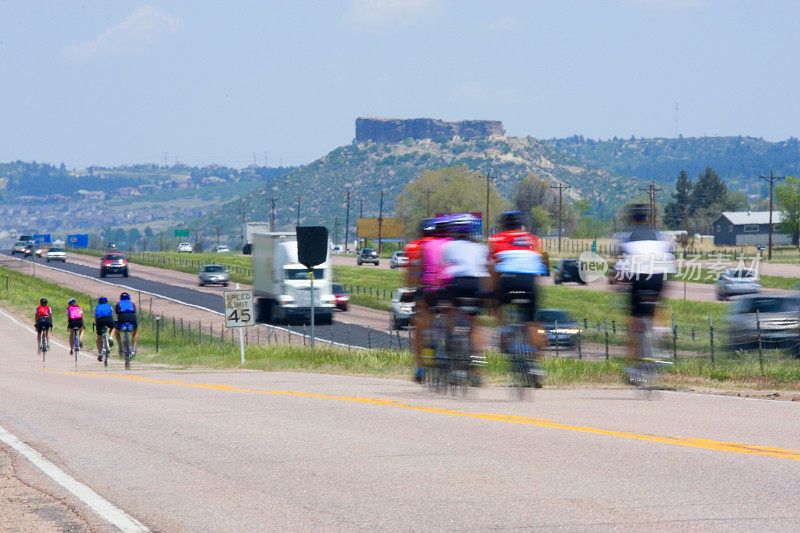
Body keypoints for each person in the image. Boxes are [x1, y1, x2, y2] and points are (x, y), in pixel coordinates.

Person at [612, 203, 675, 370]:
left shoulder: (627, 236)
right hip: (659, 276)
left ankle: (633, 365)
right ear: (647, 218)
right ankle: (662, 333)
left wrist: (615, 284)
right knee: (657, 304)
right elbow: (670, 260)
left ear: (632, 219)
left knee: (634, 321)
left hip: (639, 277)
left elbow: (619, 268)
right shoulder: (658, 235)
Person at [488, 211, 549, 351]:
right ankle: (535, 364)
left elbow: (492, 269)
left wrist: (492, 291)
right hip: (529, 284)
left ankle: (503, 330)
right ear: (521, 225)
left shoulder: (496, 239)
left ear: (503, 225)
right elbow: (540, 269)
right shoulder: (534, 239)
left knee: (494, 302)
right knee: (533, 322)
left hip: (507, 282)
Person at [440, 214, 490, 356]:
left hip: (456, 283)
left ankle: (449, 339)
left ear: (454, 230)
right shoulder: (481, 247)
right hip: (475, 284)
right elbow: (485, 270)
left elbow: (444, 269)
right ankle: (476, 356)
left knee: (450, 309)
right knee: (475, 321)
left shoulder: (448, 246)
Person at [405, 218, 435, 382]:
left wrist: (407, 292)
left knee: (418, 332)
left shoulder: (414, 246)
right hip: (443, 291)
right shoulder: (443, 244)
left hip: (423, 291)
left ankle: (420, 368)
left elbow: (410, 274)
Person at [94, 296, 115, 362]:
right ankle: (111, 337)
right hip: (108, 318)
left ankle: (100, 353)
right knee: (113, 327)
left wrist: (96, 322)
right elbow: (112, 313)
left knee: (99, 337)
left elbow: (95, 317)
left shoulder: (96, 307)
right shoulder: (109, 306)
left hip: (99, 320)